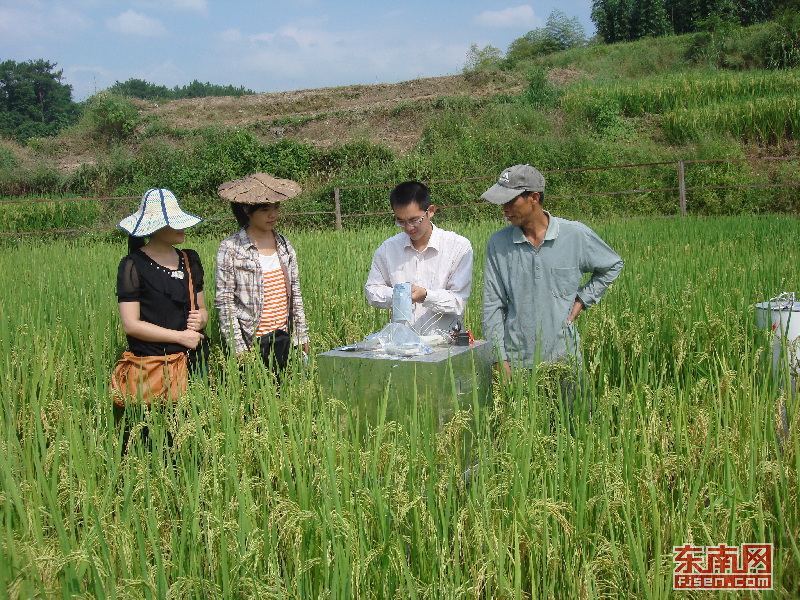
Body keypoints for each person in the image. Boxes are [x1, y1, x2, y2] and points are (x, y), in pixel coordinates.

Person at [481, 164, 623, 383]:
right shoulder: (499, 243)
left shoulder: (575, 235)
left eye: (510, 201)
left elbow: (612, 265)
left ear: (534, 197)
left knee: (576, 416)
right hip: (518, 361)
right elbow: (493, 304)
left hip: (565, 358)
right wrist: (498, 357)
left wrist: (582, 300)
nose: (504, 208)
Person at [215, 172, 310, 372]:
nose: (273, 215)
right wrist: (238, 348)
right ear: (247, 210)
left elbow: (295, 295)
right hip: (251, 342)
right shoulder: (231, 248)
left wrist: (301, 336)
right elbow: (225, 302)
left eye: (276, 208)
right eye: (265, 209)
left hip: (282, 340)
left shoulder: (284, 245)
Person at [116, 187, 209, 379]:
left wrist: (202, 319)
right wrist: (180, 337)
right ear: (155, 227)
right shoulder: (133, 265)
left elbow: (202, 308)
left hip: (194, 360)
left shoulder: (189, 260)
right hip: (154, 365)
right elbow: (131, 325)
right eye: (174, 222)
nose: (182, 227)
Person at [365, 181, 473, 335]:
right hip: (401, 344)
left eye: (414, 220)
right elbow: (372, 291)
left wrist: (426, 296)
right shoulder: (388, 249)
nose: (408, 227)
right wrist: (399, 294)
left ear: (430, 211)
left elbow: (457, 302)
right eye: (401, 221)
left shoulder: (458, 247)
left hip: (444, 344)